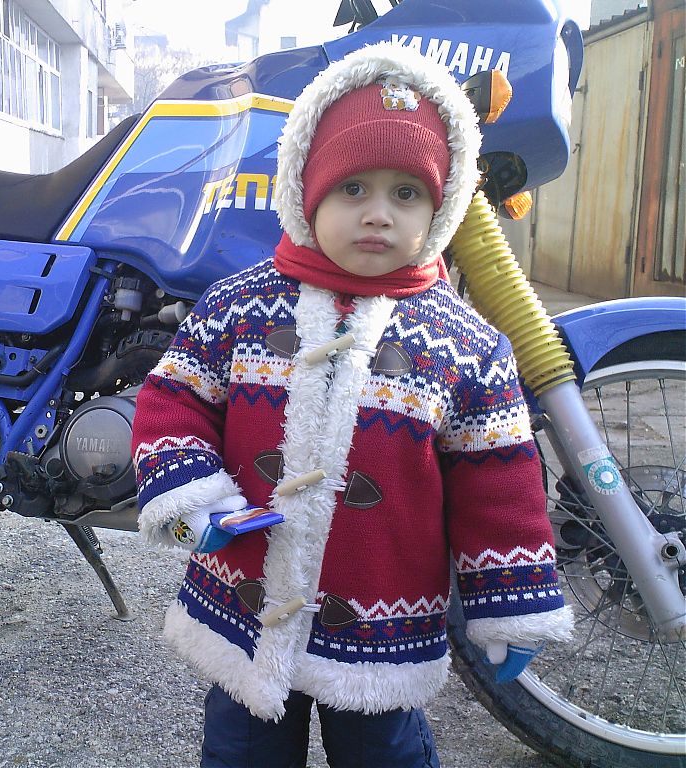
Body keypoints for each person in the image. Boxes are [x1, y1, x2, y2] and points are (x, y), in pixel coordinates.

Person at [131, 41, 574, 768]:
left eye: (407, 194)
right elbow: (173, 400)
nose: (378, 214)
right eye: (354, 188)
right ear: (307, 189)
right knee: (242, 750)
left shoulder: (466, 346)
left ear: (443, 205)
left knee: (384, 752)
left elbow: (500, 481)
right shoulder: (237, 308)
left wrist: (511, 596)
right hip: (245, 602)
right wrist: (190, 495)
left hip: (382, 624)